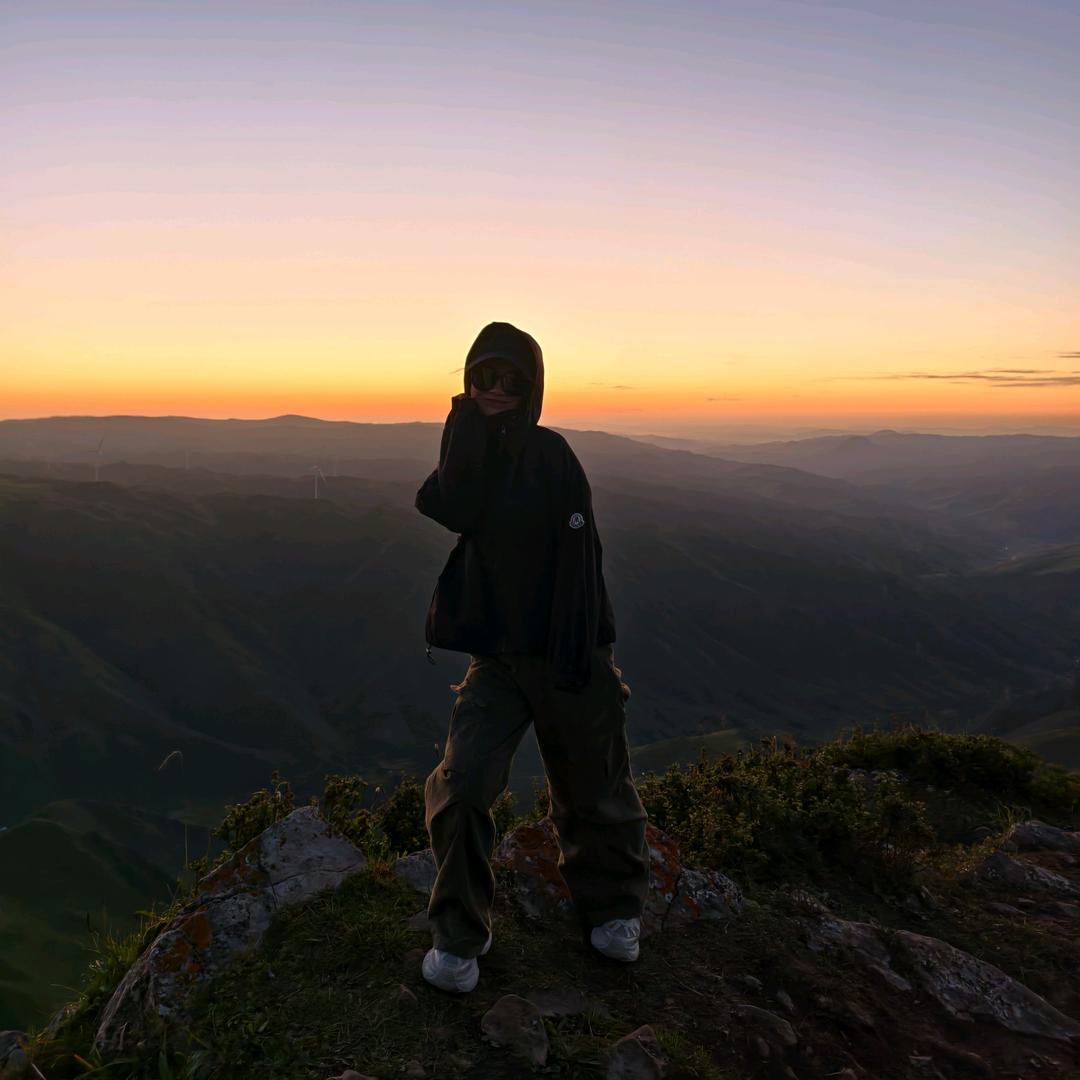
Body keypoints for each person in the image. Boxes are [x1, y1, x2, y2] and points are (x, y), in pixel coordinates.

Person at [414, 320, 651, 993]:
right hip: (498, 660)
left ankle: (613, 910)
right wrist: (465, 426)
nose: (494, 389)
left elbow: (582, 560)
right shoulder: (472, 451)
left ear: (531, 388)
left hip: (567, 646)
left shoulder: (552, 456)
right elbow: (451, 505)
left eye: (509, 380)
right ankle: (459, 938)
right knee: (461, 789)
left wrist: (584, 655)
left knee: (594, 787)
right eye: (482, 378)